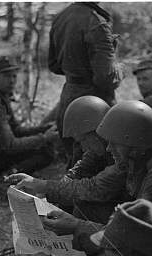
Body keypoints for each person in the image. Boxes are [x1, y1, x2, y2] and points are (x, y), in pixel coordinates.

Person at [6, 101, 152, 256]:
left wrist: (75, 226)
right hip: (137, 239)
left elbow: (133, 236)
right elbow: (83, 182)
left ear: (136, 147)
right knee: (87, 209)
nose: (109, 148)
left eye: (114, 143)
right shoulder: (132, 162)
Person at [49, 2, 122, 166]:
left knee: (76, 161)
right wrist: (119, 68)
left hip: (68, 98)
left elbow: (53, 65)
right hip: (93, 104)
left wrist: (75, 71)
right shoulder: (96, 22)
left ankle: (65, 189)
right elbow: (106, 78)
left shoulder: (60, 18)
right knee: (102, 162)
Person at [0, 56, 57, 188]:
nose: (12, 81)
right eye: (6, 76)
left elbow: (16, 129)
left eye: (14, 76)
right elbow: (10, 145)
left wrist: (42, 129)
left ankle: (9, 176)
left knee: (44, 147)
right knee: (45, 151)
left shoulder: (0, 94)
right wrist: (44, 138)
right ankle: (1, 180)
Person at [62, 96, 113, 181]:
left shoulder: (122, 155)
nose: (83, 147)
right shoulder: (97, 149)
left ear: (98, 133)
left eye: (83, 140)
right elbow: (79, 170)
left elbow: (97, 187)